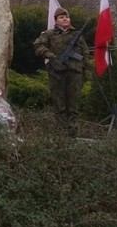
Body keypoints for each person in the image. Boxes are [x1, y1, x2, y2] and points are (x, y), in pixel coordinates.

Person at [34, 7, 91, 137]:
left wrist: (86, 70)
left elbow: (85, 53)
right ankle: (61, 133)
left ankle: (73, 132)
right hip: (57, 73)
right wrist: (52, 58)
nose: (65, 19)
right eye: (61, 17)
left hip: (75, 73)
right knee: (59, 104)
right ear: (56, 20)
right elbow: (38, 46)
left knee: (73, 104)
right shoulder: (48, 34)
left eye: (67, 17)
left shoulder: (77, 35)